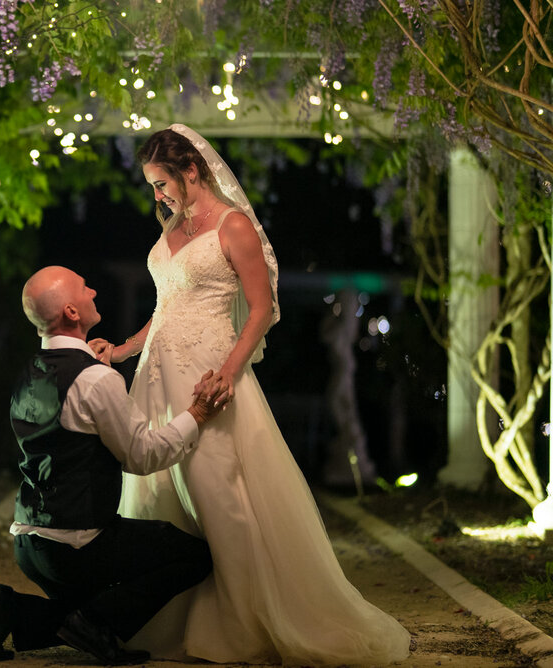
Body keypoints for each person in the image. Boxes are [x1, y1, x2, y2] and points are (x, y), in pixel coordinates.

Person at [88, 124, 412, 665]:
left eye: (162, 183)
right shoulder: (172, 230)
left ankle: (240, 624)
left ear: (192, 171)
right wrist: (122, 350)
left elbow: (260, 311)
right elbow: (165, 309)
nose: (158, 196)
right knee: (158, 503)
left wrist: (228, 372)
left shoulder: (233, 227)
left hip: (208, 375)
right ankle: (164, 621)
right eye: (152, 186)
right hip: (156, 376)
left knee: (220, 498)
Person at [0, 265, 229, 665]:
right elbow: (142, 456)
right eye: (84, 288)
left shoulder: (29, 372)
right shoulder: (94, 380)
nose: (93, 290)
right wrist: (196, 412)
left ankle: (9, 609)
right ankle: (89, 624)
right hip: (77, 547)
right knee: (193, 556)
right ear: (72, 312)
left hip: (28, 542)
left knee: (84, 608)